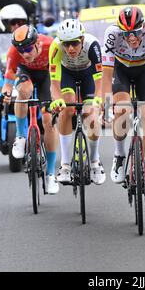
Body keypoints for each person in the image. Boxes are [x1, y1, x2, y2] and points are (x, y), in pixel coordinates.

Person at [101, 6, 145, 206]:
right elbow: (106, 76)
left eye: (136, 33)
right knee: (121, 110)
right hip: (121, 70)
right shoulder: (112, 34)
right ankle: (120, 155)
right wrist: (107, 106)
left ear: (143, 27)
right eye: (127, 34)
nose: (132, 38)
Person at [1, 24, 59, 194]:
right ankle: (20, 136)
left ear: (37, 43)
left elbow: (62, 74)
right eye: (21, 50)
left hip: (48, 75)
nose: (25, 53)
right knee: (23, 91)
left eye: (28, 48)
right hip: (26, 73)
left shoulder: (51, 45)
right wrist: (5, 94)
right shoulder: (14, 52)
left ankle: (50, 174)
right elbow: (8, 80)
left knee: (48, 120)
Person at [48, 19, 105, 186]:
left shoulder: (92, 45)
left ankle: (95, 161)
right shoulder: (55, 47)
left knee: (91, 115)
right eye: (66, 44)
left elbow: (100, 80)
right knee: (66, 109)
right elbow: (54, 82)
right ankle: (65, 165)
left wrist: (98, 99)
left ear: (81, 39)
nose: (70, 48)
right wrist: (57, 100)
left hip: (89, 75)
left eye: (74, 43)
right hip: (67, 74)